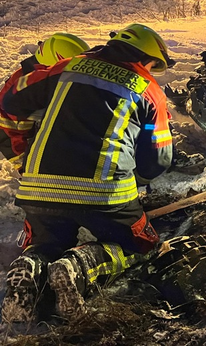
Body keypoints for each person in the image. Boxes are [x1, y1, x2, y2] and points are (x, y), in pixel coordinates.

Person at [0, 23, 174, 323]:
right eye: (152, 65)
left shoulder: (69, 67)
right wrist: (138, 180)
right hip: (104, 194)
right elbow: (158, 160)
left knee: (49, 242)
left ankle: (30, 267)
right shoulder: (148, 89)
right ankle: (79, 266)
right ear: (146, 59)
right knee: (139, 245)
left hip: (39, 188)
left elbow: (11, 98)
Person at [0, 33, 90, 160]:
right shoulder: (22, 92)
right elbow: (12, 135)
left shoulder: (46, 79)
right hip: (23, 141)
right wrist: (23, 165)